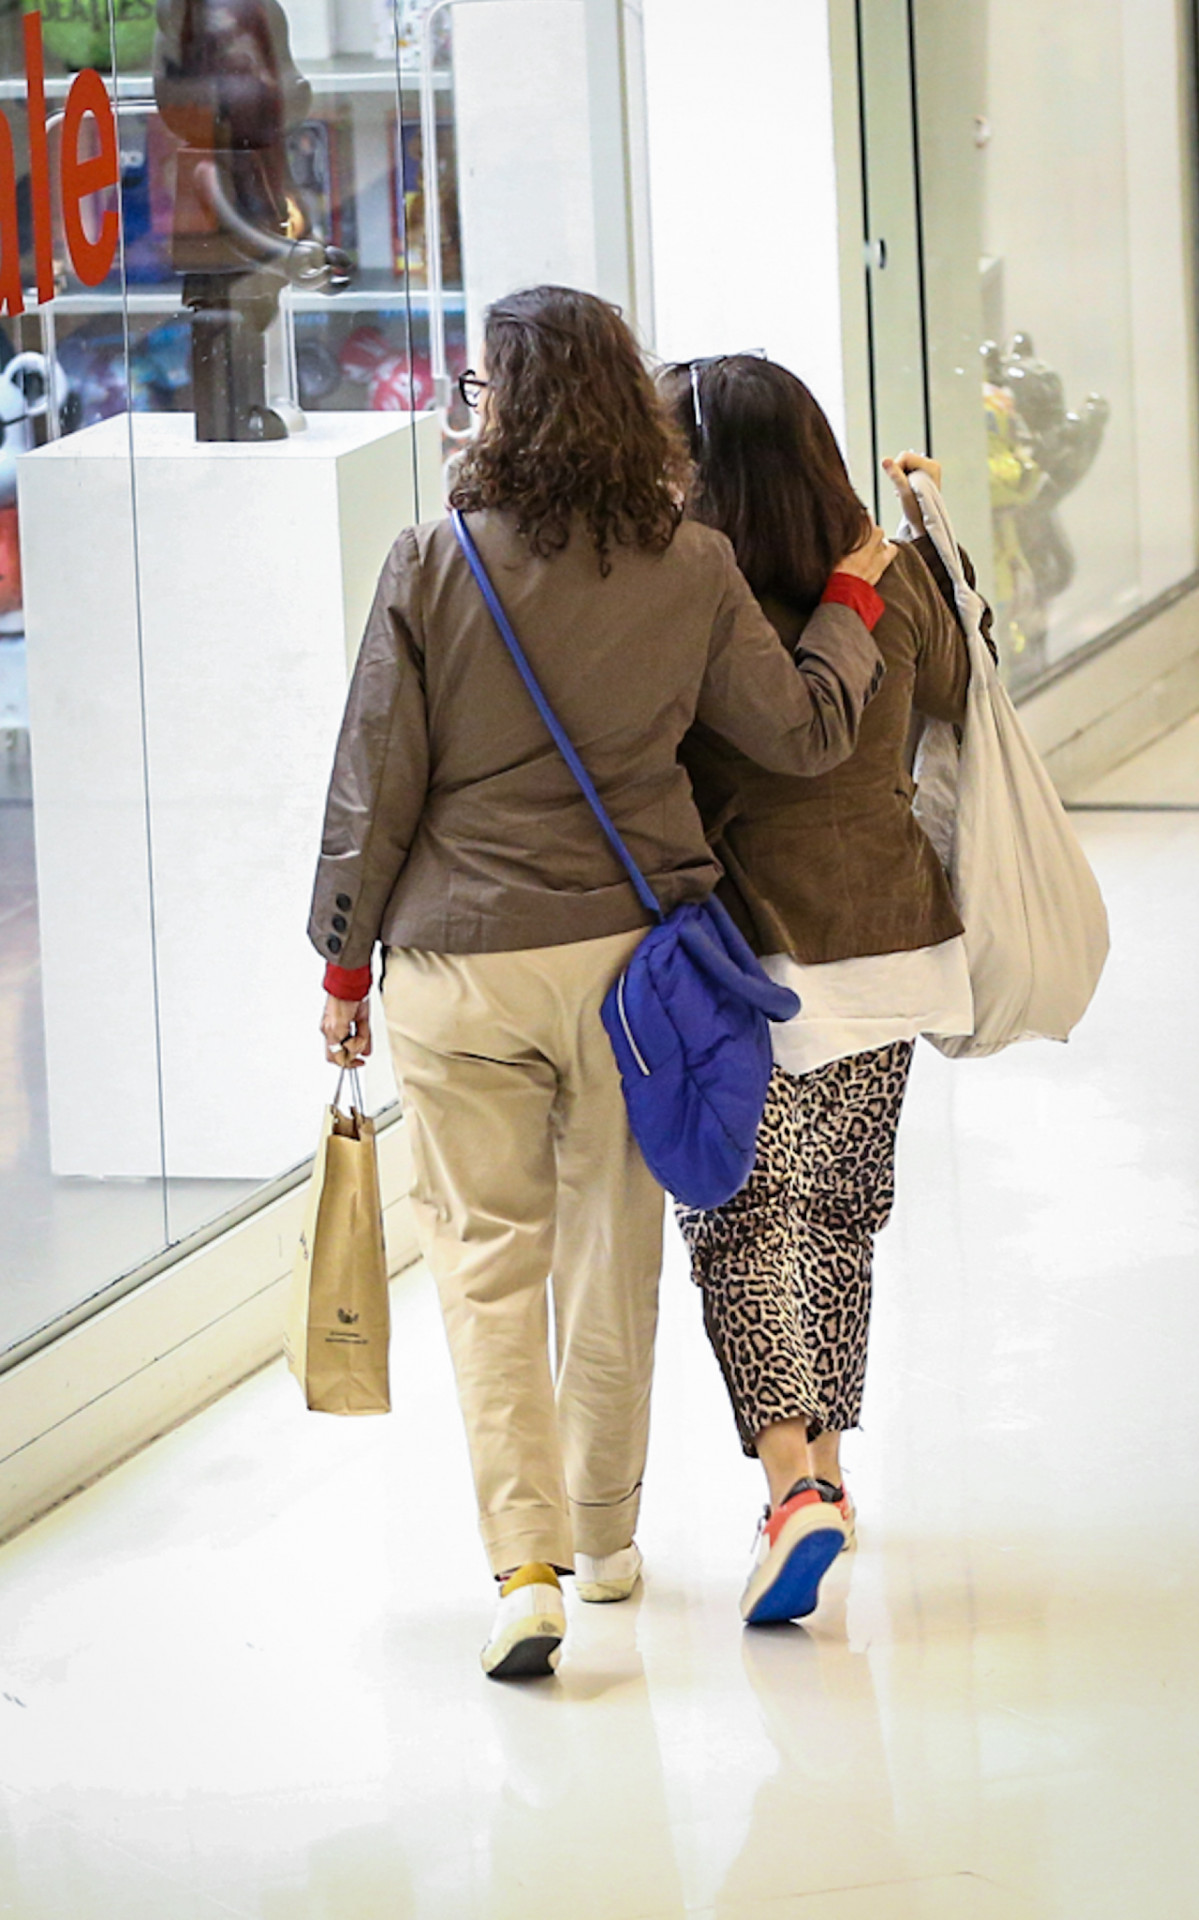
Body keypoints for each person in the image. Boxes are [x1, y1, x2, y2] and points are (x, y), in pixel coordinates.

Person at [309, 287, 893, 1680]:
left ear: (498, 405)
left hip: (456, 969)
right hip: (630, 972)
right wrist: (855, 599)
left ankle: (522, 1571)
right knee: (607, 1252)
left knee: (487, 1269)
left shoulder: (429, 559)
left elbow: (369, 784)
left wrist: (342, 963)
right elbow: (802, 733)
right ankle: (607, 1536)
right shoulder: (690, 566)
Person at [661, 354, 982, 1627]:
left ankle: (792, 1483)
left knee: (741, 1220)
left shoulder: (692, 592)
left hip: (754, 951)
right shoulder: (885, 579)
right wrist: (921, 548)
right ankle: (827, 1483)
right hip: (895, 934)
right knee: (838, 1215)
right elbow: (958, 691)